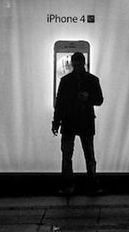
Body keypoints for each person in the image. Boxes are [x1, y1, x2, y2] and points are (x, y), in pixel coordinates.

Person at [51, 51, 104, 195]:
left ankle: (68, 185)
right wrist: (88, 97)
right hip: (85, 121)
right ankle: (92, 184)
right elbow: (99, 100)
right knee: (89, 155)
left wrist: (56, 122)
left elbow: (60, 103)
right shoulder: (92, 80)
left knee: (68, 155)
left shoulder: (66, 80)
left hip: (69, 121)